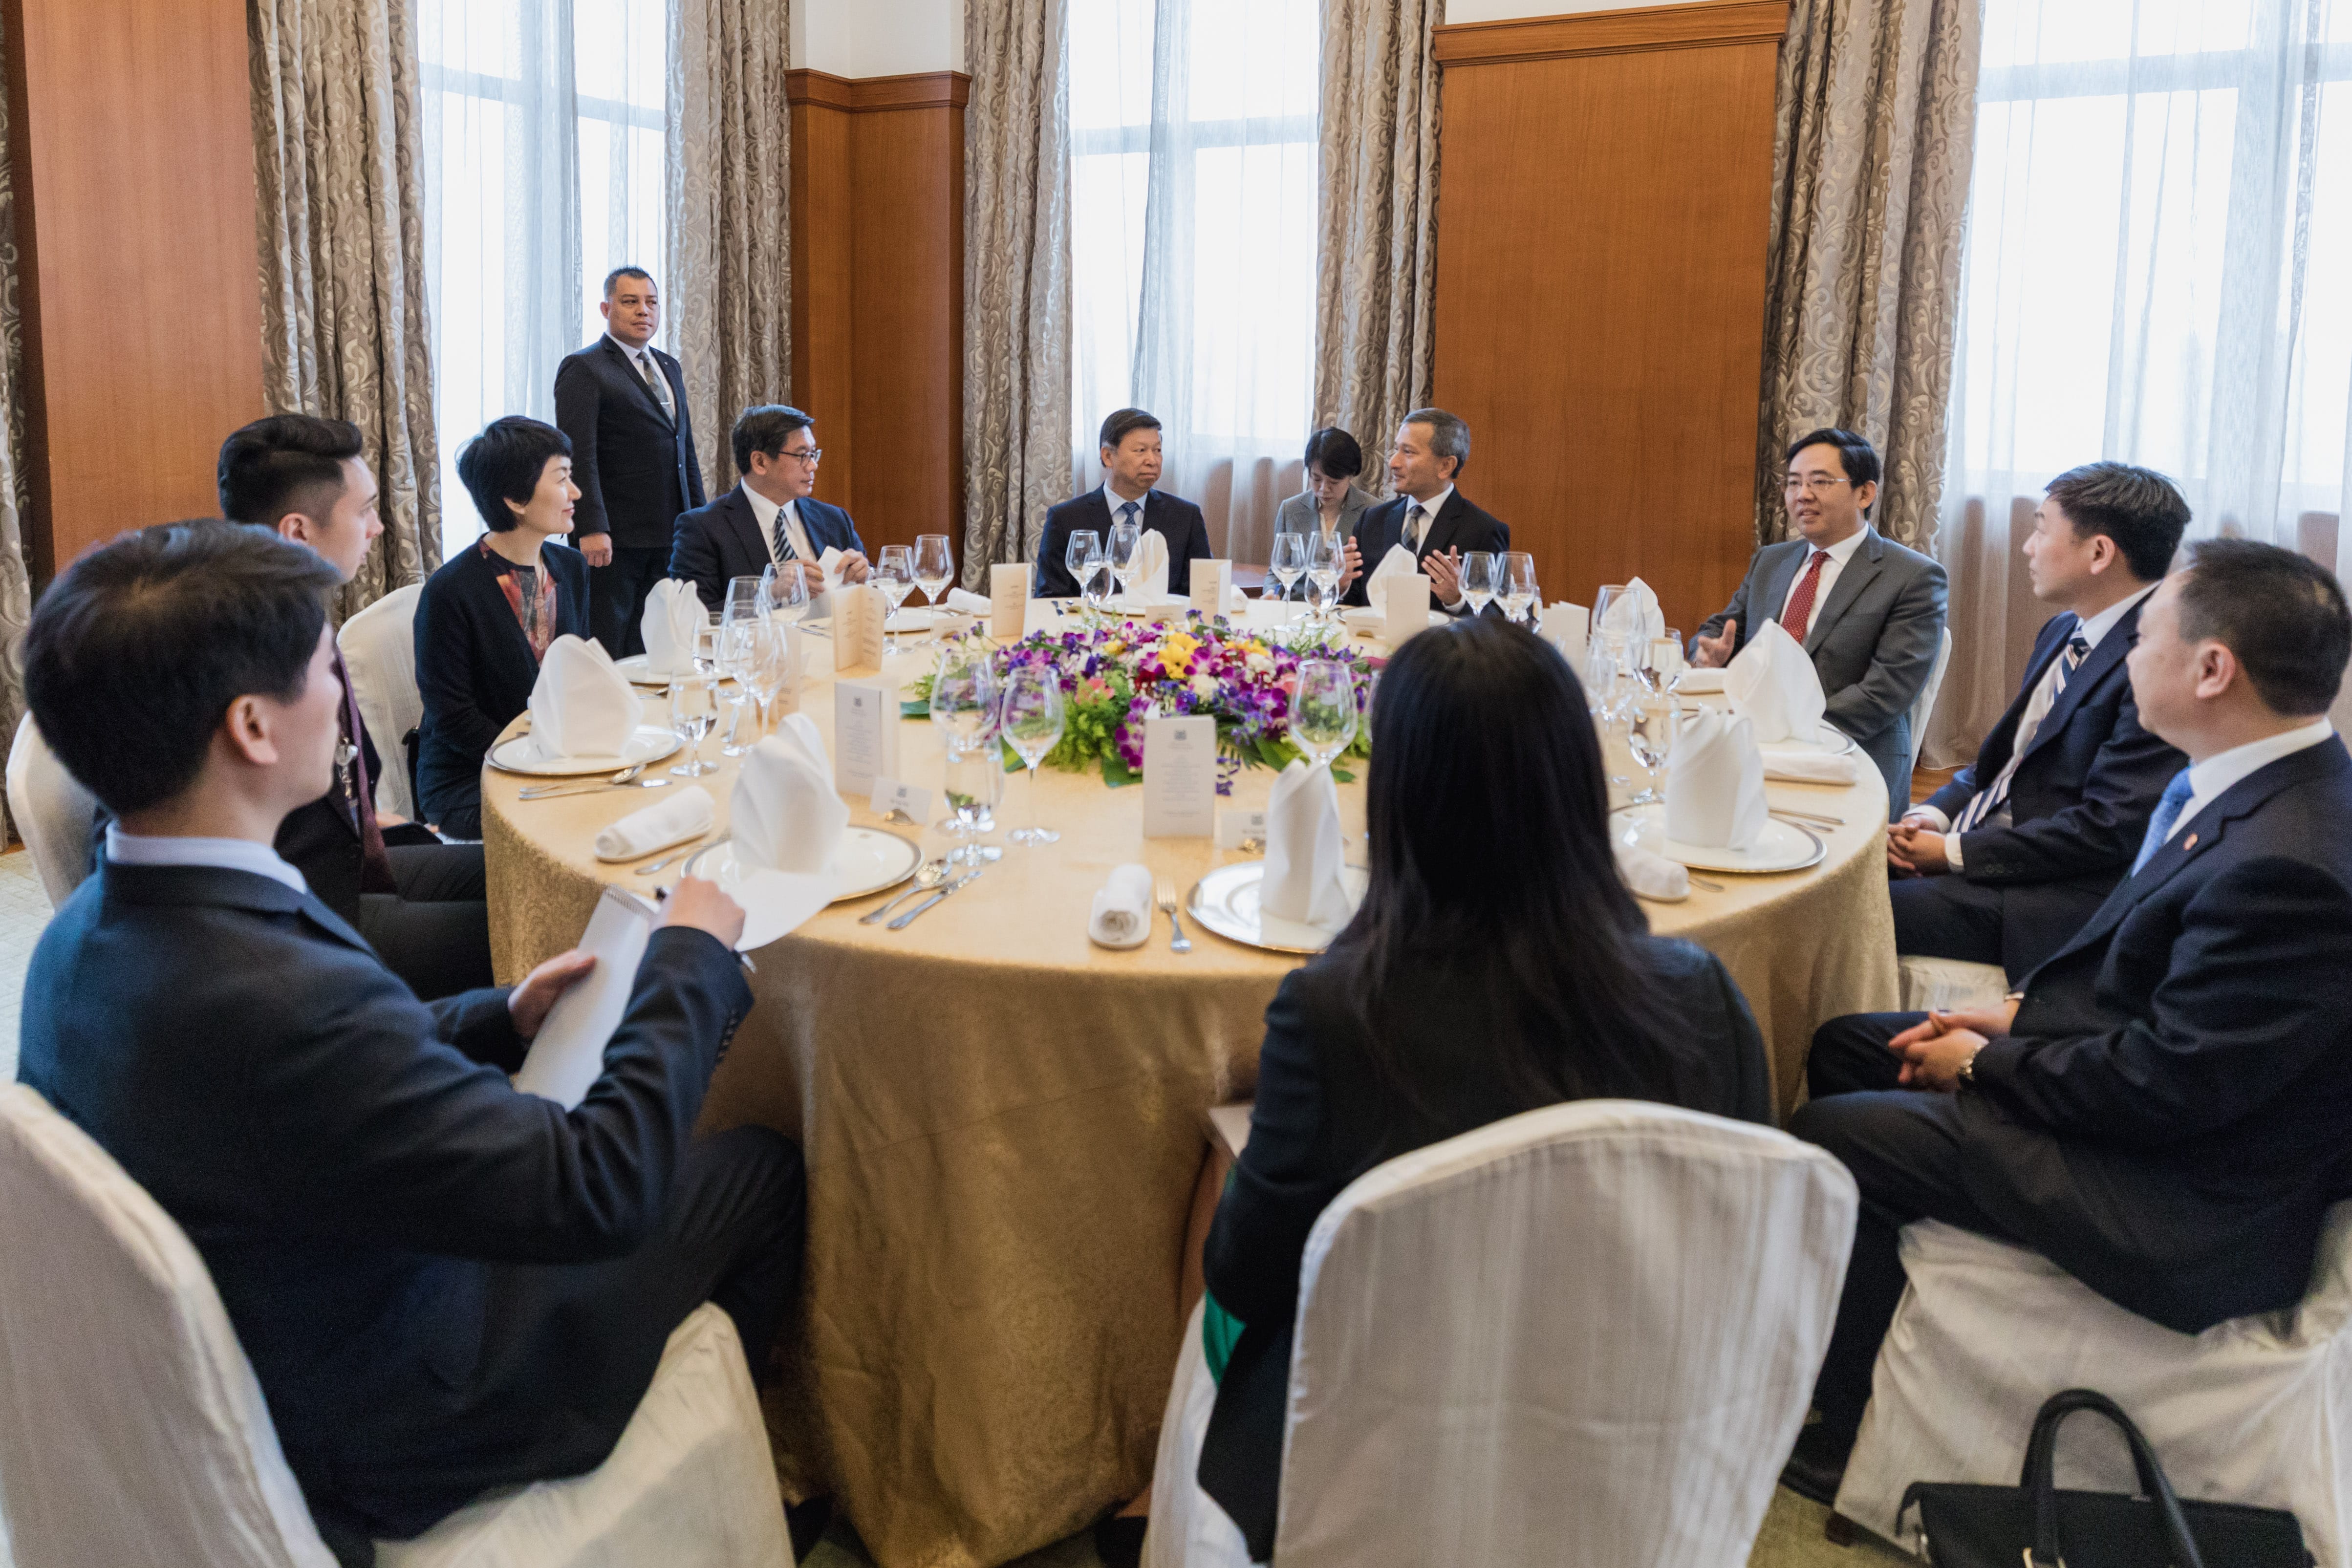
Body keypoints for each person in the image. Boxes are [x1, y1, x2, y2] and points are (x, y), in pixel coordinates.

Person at [16, 520, 803, 1564]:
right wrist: (692, 958)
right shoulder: (282, 999)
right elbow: (596, 1186)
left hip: (291, 1290)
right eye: (319, 666)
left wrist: (497, 1011)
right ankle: (748, 1498)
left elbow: (296, 1083)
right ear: (251, 725)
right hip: (412, 1399)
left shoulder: (86, 928)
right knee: (756, 1165)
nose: (342, 697)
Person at [1782, 538, 2352, 1506]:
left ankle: (1846, 1424)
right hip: (2155, 1097)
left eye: (2150, 638)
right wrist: (2012, 1016)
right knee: (1849, 1043)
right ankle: (1841, 1317)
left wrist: (1978, 1067)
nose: (2128, 656)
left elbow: (2170, 1083)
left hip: (2182, 1193)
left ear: (2213, 669)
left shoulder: (2289, 861)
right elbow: (2148, 989)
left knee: (1837, 1131)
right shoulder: (2249, 777)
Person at [1194, 617, 1773, 1559]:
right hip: (1635, 1442)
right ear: (1578, 787)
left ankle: (1151, 1499)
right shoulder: (1699, 995)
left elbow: (1243, 1274)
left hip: (1373, 1465)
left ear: (1398, 794)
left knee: (1211, 1185)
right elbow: (1746, 1243)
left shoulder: (1337, 1014)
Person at [216, 415, 496, 998]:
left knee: (530, 876)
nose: (378, 527)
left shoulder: (288, 607)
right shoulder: (245, 649)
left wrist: (368, 817)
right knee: (554, 925)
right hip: (309, 915)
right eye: (365, 509)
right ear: (298, 530)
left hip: (349, 859)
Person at [1887, 462, 2187, 980]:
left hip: (2050, 896)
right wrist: (1933, 817)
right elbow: (2006, 765)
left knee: (1860, 906)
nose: (2027, 546)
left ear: (2098, 552)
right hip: (1996, 844)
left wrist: (1954, 852)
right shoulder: (2064, 630)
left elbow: (2107, 829)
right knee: (1836, 869)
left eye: (2040, 528)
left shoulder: (2155, 661)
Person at [1690, 429, 1949, 817]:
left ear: (1864, 493)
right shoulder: (1771, 560)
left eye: (1820, 482)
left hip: (1850, 754)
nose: (1802, 495)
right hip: (1755, 743)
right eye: (1793, 483)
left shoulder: (1913, 577)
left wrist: (1783, 732)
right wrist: (1706, 652)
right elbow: (1720, 628)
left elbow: (1885, 692)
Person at [414, 418, 593, 841]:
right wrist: (535, 759)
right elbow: (452, 716)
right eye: (562, 478)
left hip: (554, 758)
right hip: (471, 775)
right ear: (515, 498)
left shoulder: (570, 567)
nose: (576, 493)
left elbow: (578, 671)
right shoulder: (451, 590)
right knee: (581, 819)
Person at [555, 265, 706, 657]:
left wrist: (701, 521)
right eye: (630, 302)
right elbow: (578, 454)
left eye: (651, 302)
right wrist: (590, 525)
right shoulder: (585, 367)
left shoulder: (668, 365)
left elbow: (683, 449)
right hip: (614, 537)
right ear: (606, 308)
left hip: (670, 532)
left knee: (659, 641)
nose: (644, 311)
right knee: (610, 642)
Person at [669, 404, 871, 614]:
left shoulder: (834, 519)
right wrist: (769, 594)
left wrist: (866, 578)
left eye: (813, 454)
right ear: (760, 462)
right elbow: (692, 617)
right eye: (802, 456)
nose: (813, 466)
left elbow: (879, 601)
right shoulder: (704, 528)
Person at [1338, 408, 1510, 613]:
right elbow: (1355, 603)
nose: (1394, 463)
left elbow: (1499, 618)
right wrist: (1340, 586)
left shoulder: (1483, 530)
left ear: (1446, 466)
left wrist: (1457, 600)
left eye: (1408, 452)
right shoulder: (1372, 520)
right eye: (1396, 450)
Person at [1035, 408, 1210, 599]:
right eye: (1141, 451)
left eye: (1157, 450)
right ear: (1108, 456)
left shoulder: (1186, 516)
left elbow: (1201, 594)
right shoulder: (1065, 519)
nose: (1152, 460)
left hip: (1162, 626)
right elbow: (1051, 600)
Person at [1273, 427, 1374, 593]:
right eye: (1316, 479)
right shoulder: (1290, 509)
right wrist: (1273, 594)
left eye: (1334, 482)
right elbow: (1276, 572)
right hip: (1299, 610)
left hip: (1347, 612)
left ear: (1351, 475)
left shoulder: (1373, 512)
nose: (1323, 489)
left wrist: (1343, 587)